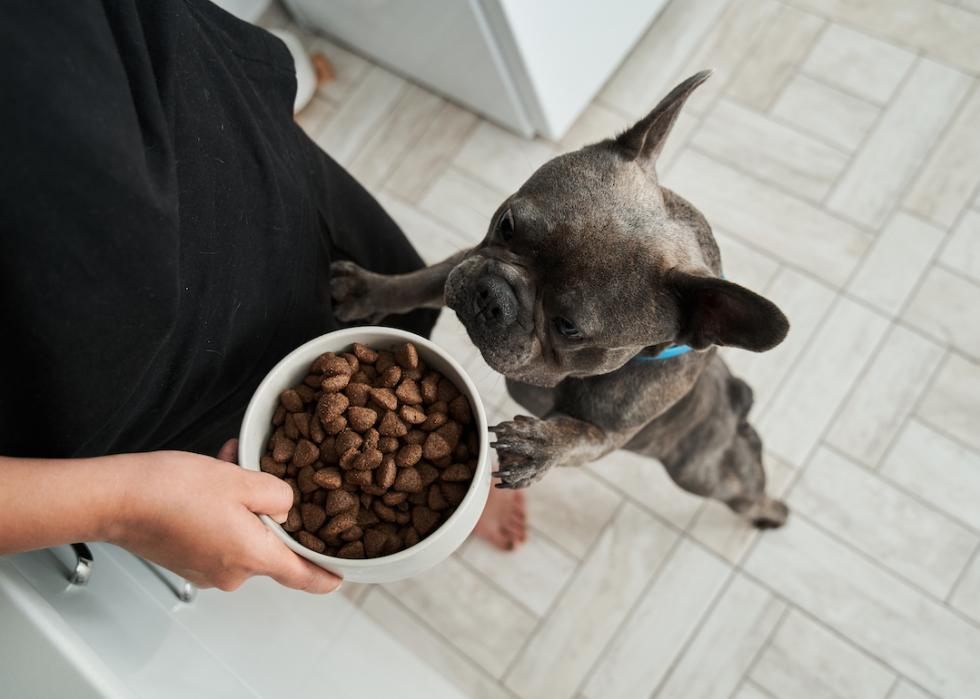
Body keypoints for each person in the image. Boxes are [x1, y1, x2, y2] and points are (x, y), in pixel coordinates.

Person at [0, 0, 525, 594]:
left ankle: (461, 482)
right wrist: (124, 505)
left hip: (199, 127)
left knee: (383, 292)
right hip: (107, 385)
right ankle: (449, 490)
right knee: (246, 446)